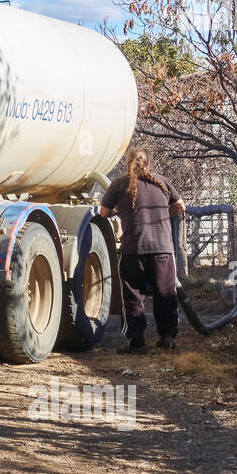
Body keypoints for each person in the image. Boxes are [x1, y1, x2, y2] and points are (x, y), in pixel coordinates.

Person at [97, 147, 186, 353]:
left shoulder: (119, 184)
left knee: (132, 296)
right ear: (149, 164)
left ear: (127, 164)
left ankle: (136, 343)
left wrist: (120, 211)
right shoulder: (162, 182)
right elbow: (180, 205)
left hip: (132, 249)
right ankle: (167, 338)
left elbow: (103, 212)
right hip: (162, 249)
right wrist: (165, 214)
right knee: (165, 294)